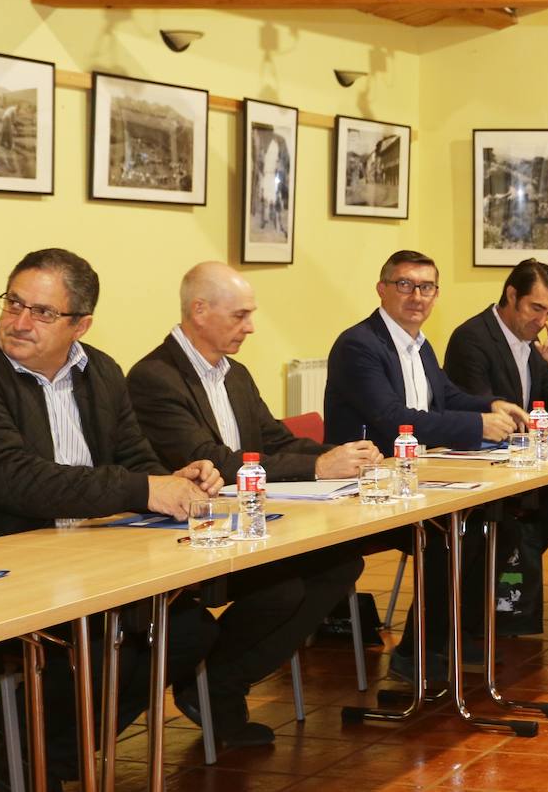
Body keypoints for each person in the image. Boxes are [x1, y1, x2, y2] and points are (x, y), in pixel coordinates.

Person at [0, 248, 220, 792]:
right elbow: (11, 477)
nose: (20, 322)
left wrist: (176, 478)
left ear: (81, 325)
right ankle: (33, 747)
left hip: (79, 554)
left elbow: (133, 458)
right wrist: (145, 489)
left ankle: (38, 750)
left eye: (43, 313)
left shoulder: (102, 372)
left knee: (186, 633)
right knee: (93, 644)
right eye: (14, 303)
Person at [128, 262, 382, 751]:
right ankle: (214, 686)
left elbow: (274, 440)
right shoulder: (154, 378)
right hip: (185, 538)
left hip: (247, 523)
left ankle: (221, 678)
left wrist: (340, 455)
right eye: (240, 315)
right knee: (282, 589)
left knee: (340, 563)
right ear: (199, 311)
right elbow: (215, 461)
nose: (250, 326)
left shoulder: (234, 374)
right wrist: (318, 470)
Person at [324, 250, 527, 677]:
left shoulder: (418, 343)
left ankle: (447, 636)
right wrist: (477, 425)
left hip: (414, 475)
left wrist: (492, 404)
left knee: (496, 520)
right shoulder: (359, 345)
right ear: (382, 289)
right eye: (405, 285)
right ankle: (414, 651)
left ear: (436, 294)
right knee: (451, 534)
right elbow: (392, 418)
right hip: (365, 485)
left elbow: (445, 397)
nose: (416, 296)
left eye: (426, 287)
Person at [442, 258, 548, 554]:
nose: (543, 321)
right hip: (483, 472)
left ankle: (515, 559)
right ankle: (513, 560)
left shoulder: (533, 344)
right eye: (536, 308)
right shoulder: (472, 339)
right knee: (518, 526)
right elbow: (496, 417)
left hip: (525, 468)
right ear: (511, 295)